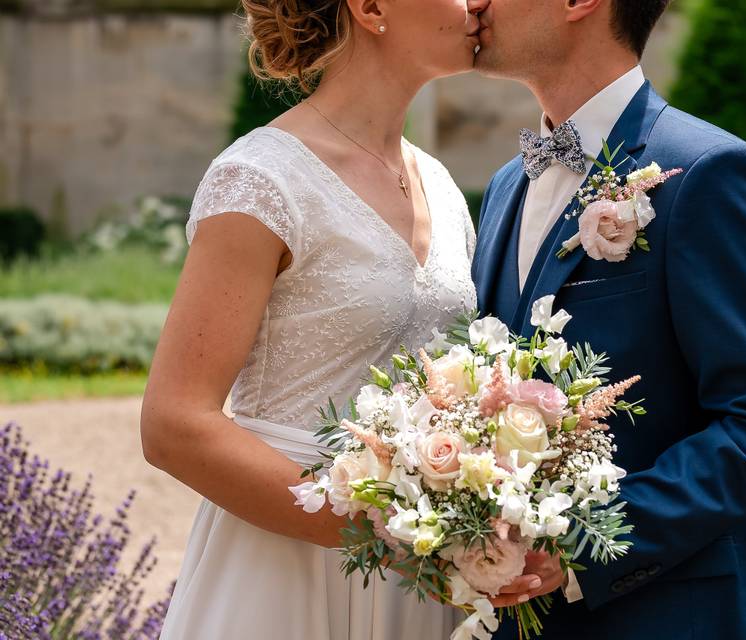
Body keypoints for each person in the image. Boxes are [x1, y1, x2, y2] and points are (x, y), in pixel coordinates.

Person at [139, 0, 541, 637]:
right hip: (287, 561)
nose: (476, 3)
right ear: (373, 8)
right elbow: (173, 424)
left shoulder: (439, 183)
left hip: (421, 581)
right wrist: (379, 528)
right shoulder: (260, 180)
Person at [469, 0, 746, 637]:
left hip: (677, 614)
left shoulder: (712, 174)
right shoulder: (503, 189)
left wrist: (581, 543)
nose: (474, 2)